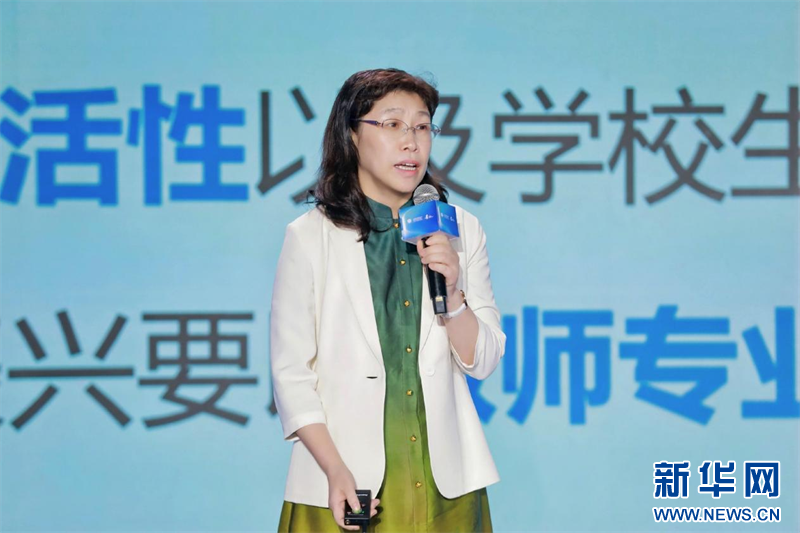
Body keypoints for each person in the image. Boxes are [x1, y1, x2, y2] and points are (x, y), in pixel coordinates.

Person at [271, 68, 506, 533]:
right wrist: (334, 469)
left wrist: (453, 293)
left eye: (422, 127)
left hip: (444, 485)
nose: (411, 142)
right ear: (352, 135)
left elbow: (484, 359)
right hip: (343, 483)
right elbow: (291, 374)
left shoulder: (459, 229)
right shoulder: (310, 237)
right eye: (393, 124)